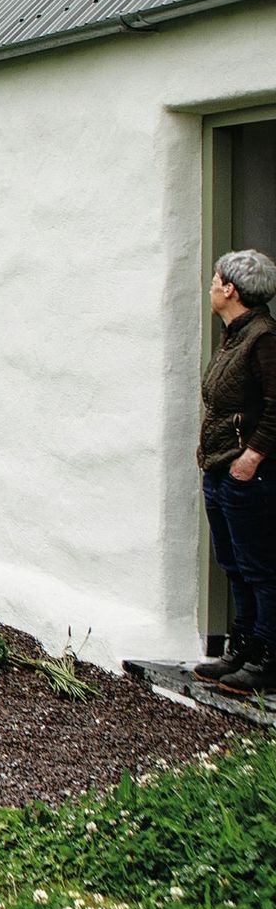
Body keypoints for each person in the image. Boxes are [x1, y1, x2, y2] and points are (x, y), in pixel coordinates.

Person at [196, 249, 276, 689]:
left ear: (230, 289)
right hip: (220, 470)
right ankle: (242, 647)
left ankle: (267, 657)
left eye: (215, 280)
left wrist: (252, 457)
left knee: (260, 567)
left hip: (247, 475)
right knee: (233, 563)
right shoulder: (234, 336)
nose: (210, 286)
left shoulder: (263, 338)